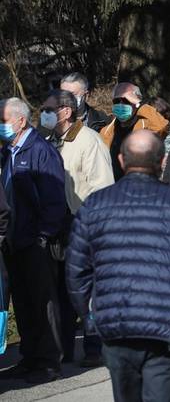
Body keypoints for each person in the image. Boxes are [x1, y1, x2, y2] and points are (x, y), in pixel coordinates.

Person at [66, 131, 170, 401]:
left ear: (121, 160)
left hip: (117, 324)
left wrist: (92, 316)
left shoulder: (94, 206)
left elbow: (77, 270)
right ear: (161, 162)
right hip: (168, 327)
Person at [40, 90, 114, 367]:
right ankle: (65, 348)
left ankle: (94, 346)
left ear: (66, 112)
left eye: (48, 109)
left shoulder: (89, 141)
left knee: (88, 288)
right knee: (62, 290)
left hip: (83, 223)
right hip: (59, 226)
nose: (43, 115)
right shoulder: (51, 141)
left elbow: (101, 186)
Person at [0, 97, 68, 383]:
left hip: (35, 239)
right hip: (13, 240)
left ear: (20, 120)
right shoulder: (8, 152)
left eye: (3, 120)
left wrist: (43, 234)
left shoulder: (40, 150)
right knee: (24, 302)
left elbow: (54, 198)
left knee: (44, 301)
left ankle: (49, 361)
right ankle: (30, 356)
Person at [100, 82, 170, 179]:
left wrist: (139, 104)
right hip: (115, 186)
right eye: (117, 101)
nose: (121, 104)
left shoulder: (146, 125)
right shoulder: (106, 131)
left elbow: (162, 126)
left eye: (126, 101)